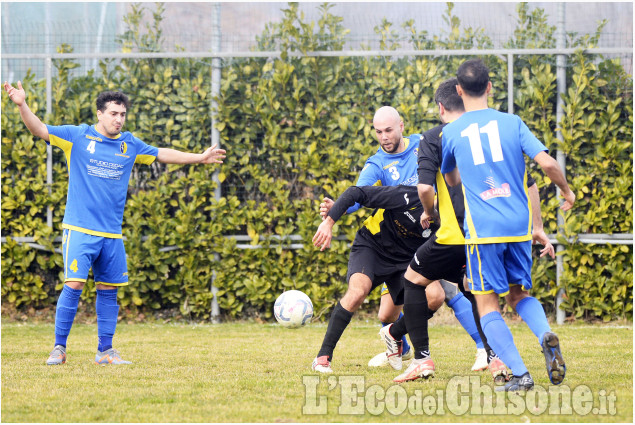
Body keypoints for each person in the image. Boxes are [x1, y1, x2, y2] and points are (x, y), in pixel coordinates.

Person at [4, 81, 227, 365]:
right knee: (73, 285)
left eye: (122, 114)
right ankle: (58, 349)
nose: (118, 119)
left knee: (109, 290)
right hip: (80, 229)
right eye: (113, 113)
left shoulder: (129, 144)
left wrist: (200, 158)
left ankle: (105, 352)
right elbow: (40, 129)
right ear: (99, 114)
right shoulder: (77, 136)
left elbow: (161, 153)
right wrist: (22, 104)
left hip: (111, 234)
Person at [380, 77, 553, 384]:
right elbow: (530, 183)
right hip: (504, 231)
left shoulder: (436, 137)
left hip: (460, 235)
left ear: (441, 106)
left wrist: (429, 215)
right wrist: (537, 226)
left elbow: (424, 187)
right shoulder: (500, 128)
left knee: (414, 280)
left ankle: (422, 359)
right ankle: (496, 357)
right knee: (487, 292)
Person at [312, 107, 486, 373]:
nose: (383, 137)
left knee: (442, 293)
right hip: (378, 243)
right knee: (371, 302)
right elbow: (359, 195)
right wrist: (335, 211)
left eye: (388, 130)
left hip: (414, 247)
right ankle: (325, 357)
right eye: (378, 132)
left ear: (402, 126)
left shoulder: (424, 145)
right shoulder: (377, 164)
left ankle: (482, 348)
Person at [440, 58, 574, 392]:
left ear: (458, 90)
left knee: (486, 304)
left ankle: (520, 374)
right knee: (519, 294)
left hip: (483, 229)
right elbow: (545, 163)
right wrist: (567, 191)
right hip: (518, 225)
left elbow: (450, 176)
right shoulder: (513, 123)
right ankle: (544, 333)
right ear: (489, 87)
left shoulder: (452, 132)